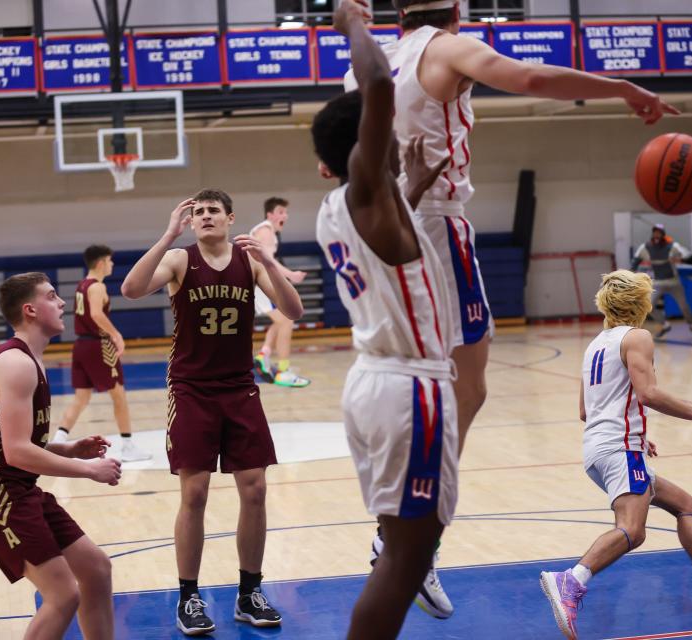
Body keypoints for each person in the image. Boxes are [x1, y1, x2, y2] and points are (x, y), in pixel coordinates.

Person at [344, 0, 678, 615]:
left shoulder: (372, 61)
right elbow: (529, 77)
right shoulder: (440, 48)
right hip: (434, 228)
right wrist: (623, 87)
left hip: (376, 229)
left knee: (433, 387)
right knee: (464, 391)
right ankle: (408, 537)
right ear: (459, 10)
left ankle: (404, 533)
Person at [314, 3, 458, 638]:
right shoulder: (364, 186)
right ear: (364, 149)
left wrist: (418, 182)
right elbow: (375, 85)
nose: (398, 137)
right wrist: (352, 24)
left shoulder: (340, 210)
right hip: (409, 388)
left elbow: (392, 235)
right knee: (406, 559)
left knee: (405, 552)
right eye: (387, 132)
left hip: (378, 382)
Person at [121, 189, 303, 635]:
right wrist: (167, 236)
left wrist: (271, 262)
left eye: (212, 211)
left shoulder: (250, 260)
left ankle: (249, 592)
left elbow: (293, 310)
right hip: (192, 390)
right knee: (195, 494)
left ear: (229, 218)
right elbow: (129, 289)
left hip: (240, 388)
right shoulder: (180, 260)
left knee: (255, 489)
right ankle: (189, 597)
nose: (204, 217)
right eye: (197, 212)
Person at [540, 270, 692, 640]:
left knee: (683, 504)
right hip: (619, 448)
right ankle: (571, 579)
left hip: (600, 448)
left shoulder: (595, 345)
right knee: (633, 530)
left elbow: (586, 410)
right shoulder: (638, 336)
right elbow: (647, 393)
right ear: (641, 302)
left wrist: (636, 434)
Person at [0, 272, 121, 639]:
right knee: (63, 595)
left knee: (96, 568)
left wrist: (68, 448)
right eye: (52, 296)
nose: (62, 303)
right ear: (30, 310)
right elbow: (17, 453)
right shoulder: (16, 365)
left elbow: (14, 442)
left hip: (18, 486)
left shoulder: (30, 359)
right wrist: (88, 469)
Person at [52, 245, 151, 462]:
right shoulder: (97, 287)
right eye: (109, 260)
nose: (112, 264)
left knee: (81, 398)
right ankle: (127, 446)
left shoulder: (81, 285)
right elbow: (96, 314)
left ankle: (58, 441)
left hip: (80, 346)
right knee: (119, 396)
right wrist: (116, 335)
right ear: (100, 263)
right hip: (98, 345)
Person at [251, 197, 310, 387]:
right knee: (286, 320)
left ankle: (264, 354)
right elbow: (269, 262)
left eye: (286, 212)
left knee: (282, 320)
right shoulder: (266, 231)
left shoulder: (266, 232)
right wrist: (291, 275)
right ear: (270, 215)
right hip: (255, 283)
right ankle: (283, 371)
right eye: (281, 212)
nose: (285, 215)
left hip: (257, 281)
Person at [631, 224, 692, 337]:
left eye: (659, 233)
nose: (656, 235)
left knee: (684, 306)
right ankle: (665, 325)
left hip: (674, 282)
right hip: (658, 282)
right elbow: (635, 261)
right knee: (648, 306)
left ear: (663, 235)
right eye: (655, 232)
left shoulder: (672, 246)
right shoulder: (646, 247)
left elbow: (687, 255)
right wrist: (630, 275)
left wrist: (680, 258)